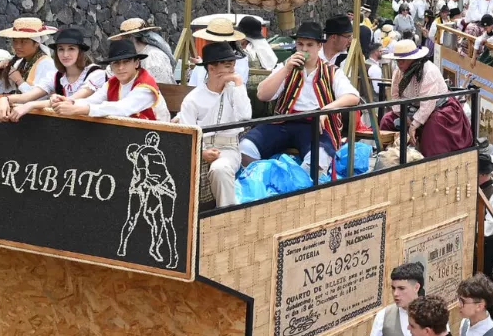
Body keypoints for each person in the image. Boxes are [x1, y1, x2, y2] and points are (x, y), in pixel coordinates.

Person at [243, 21, 360, 174]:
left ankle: (300, 184)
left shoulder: (331, 71)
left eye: (309, 45)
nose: (304, 49)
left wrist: (325, 110)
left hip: (315, 126)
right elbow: (262, 95)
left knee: (318, 159)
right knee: (245, 147)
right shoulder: (286, 66)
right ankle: (264, 178)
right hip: (284, 122)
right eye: (300, 44)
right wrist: (286, 68)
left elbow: (353, 96)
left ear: (319, 46)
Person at [176, 40, 252, 208]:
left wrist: (238, 82)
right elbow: (186, 134)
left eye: (233, 66)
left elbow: (246, 116)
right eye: (227, 66)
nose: (232, 70)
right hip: (198, 148)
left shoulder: (235, 90)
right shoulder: (192, 99)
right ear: (211, 68)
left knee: (220, 169)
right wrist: (201, 152)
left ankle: (226, 215)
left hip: (228, 147)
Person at [380, 40, 472, 157]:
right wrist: (403, 116)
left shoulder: (429, 71)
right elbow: (395, 96)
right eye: (397, 60)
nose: (399, 64)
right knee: (387, 119)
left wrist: (413, 125)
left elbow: (428, 103)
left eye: (402, 60)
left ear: (412, 59)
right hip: (412, 108)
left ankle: (427, 161)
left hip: (440, 107)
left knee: (434, 125)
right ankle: (387, 156)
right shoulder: (398, 72)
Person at [0, 27, 106, 122]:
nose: (65, 54)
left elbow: (69, 101)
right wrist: (5, 99)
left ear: (80, 52)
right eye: (61, 49)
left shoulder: (96, 74)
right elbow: (27, 96)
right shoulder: (56, 76)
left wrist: (30, 105)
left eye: (71, 49)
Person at [53, 38, 169, 121]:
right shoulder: (112, 83)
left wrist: (78, 110)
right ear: (111, 67)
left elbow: (123, 108)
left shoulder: (145, 86)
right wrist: (70, 102)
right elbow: (93, 100)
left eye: (126, 62)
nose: (121, 67)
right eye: (116, 63)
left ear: (136, 63)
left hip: (157, 137)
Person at [0, 16, 59, 120]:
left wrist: (19, 81)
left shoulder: (46, 64)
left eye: (23, 42)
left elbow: (38, 98)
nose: (17, 46)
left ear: (36, 43)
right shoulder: (20, 62)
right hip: (20, 115)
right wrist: (3, 71)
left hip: (39, 118)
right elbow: (0, 88)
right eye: (15, 41)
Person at [109, 17, 176, 84]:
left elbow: (162, 84)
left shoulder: (154, 56)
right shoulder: (129, 55)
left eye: (124, 38)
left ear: (131, 38)